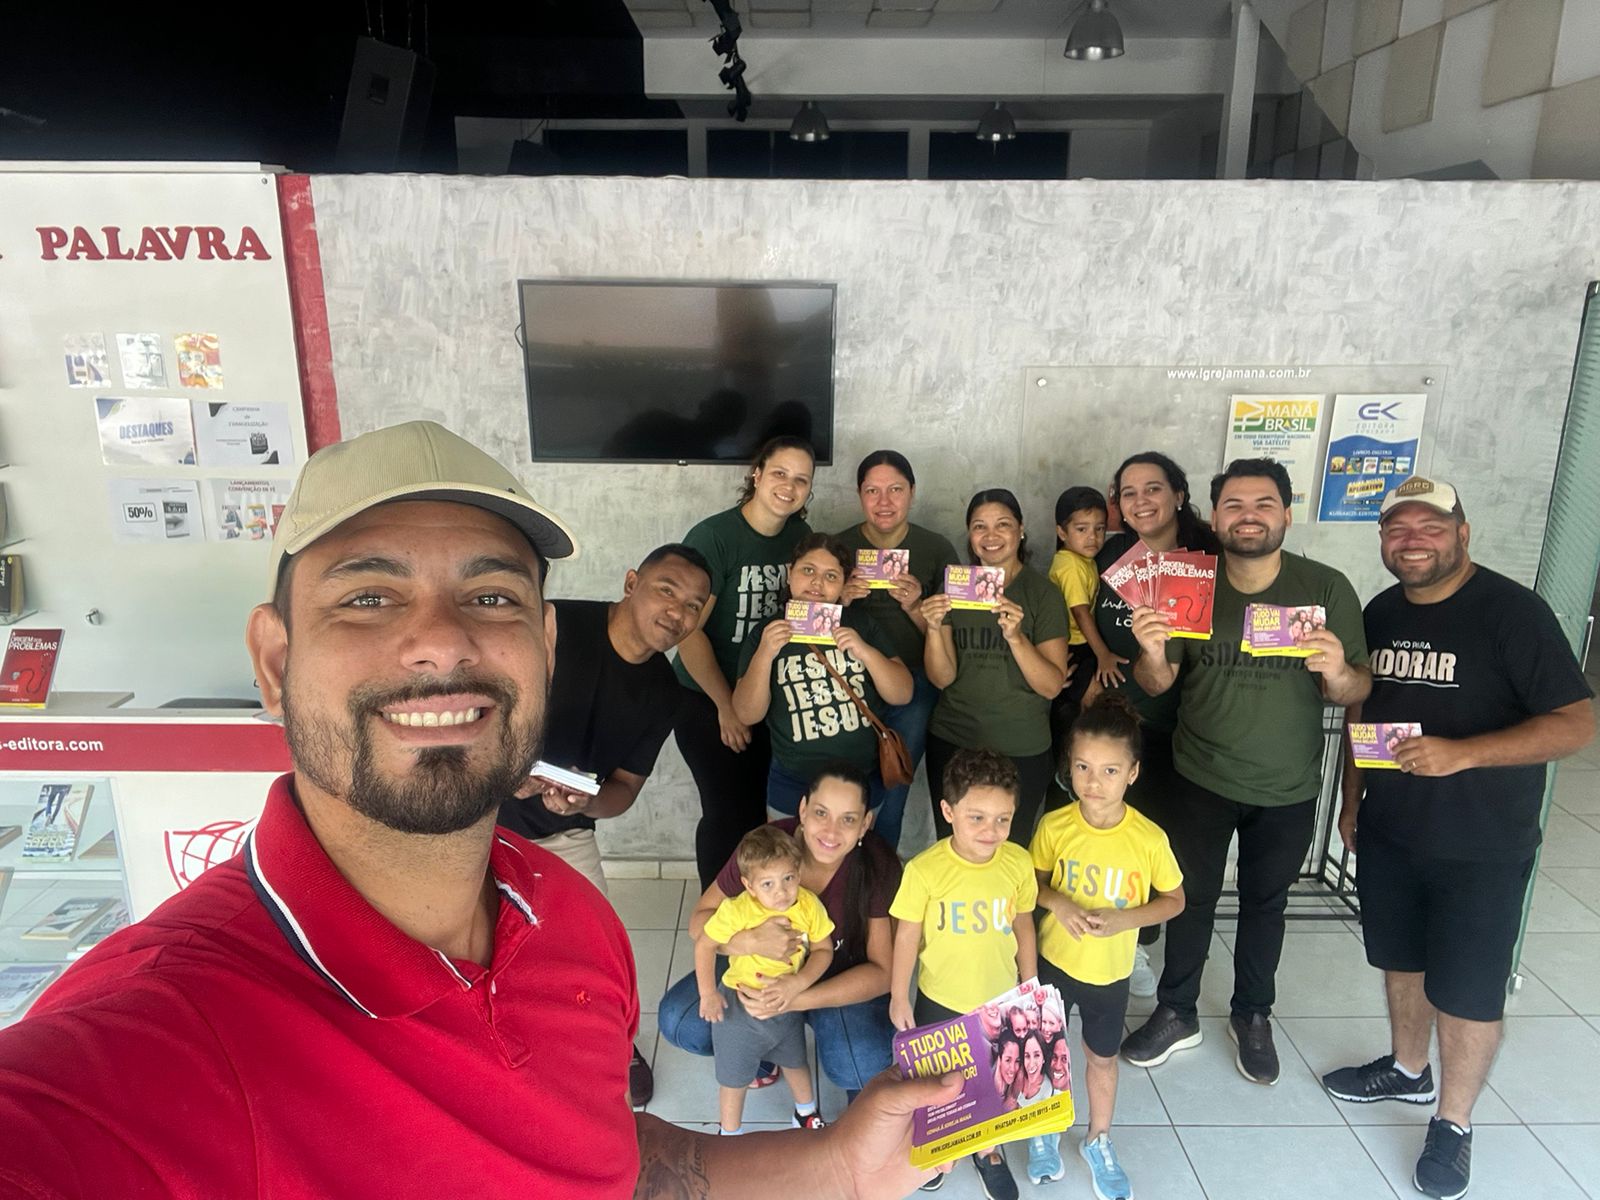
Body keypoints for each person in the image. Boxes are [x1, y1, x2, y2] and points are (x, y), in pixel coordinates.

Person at [0, 421, 966, 1198]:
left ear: (544, 644)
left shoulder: (579, 922)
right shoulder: (150, 1038)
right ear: (276, 659)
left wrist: (837, 1169)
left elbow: (603, 1163)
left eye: (492, 596)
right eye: (369, 597)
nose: (440, 641)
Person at [1321, 477, 1595, 1200]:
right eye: (1398, 529)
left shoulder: (1513, 613)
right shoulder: (1380, 611)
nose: (1412, 541)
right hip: (1393, 830)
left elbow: (1577, 723)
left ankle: (1454, 1122)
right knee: (1401, 962)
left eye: (1430, 527)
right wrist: (1352, 799)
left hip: (1482, 842)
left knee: (1470, 989)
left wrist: (1463, 754)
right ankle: (1408, 1070)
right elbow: (1360, 712)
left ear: (1462, 533)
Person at [1121, 457, 1370, 1087]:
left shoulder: (1326, 587)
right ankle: (1177, 1010)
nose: (1248, 516)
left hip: (1287, 783)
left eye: (1263, 504)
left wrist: (1338, 670)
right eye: (1234, 505)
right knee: (1190, 898)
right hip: (1199, 774)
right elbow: (1157, 682)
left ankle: (1252, 1015)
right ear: (1215, 516)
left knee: (1266, 902)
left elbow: (1354, 690)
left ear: (1287, 513)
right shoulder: (1192, 583)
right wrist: (1152, 652)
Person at [496, 542, 713, 1106]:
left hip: (563, 833)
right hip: (476, 816)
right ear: (631, 582)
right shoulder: (552, 625)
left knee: (598, 950)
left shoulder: (664, 694)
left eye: (693, 606)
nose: (677, 612)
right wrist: (502, 772)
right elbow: (477, 708)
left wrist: (583, 805)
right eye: (667, 590)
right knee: (474, 944)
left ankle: (615, 1044)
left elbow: (623, 791)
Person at [659, 762, 904, 1103]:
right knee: (680, 1022)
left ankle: (838, 1070)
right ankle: (763, 1054)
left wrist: (797, 997)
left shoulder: (878, 863)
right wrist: (747, 941)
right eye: (821, 813)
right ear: (802, 810)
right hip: (757, 968)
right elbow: (699, 920)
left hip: (835, 977)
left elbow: (882, 973)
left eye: (848, 819)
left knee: (859, 1063)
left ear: (865, 823)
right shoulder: (766, 845)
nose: (831, 831)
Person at [1030, 693, 1185, 1195]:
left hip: (1109, 974)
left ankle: (1098, 1138)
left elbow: (1175, 900)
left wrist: (1126, 920)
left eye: (1109, 771)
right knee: (1046, 1052)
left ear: (1133, 773)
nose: (1093, 782)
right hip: (1053, 963)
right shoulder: (1054, 826)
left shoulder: (1148, 839)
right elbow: (1031, 885)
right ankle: (1044, 1128)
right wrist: (1058, 904)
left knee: (1101, 1058)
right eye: (1082, 767)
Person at [1082, 452, 1222, 998]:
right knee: (1107, 834)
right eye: (1129, 492)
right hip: (1114, 723)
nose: (1140, 501)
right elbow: (1088, 620)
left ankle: (1141, 941)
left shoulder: (1209, 560)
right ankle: (1112, 936)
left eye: (1153, 489)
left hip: (1174, 730)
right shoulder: (1113, 554)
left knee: (1153, 844)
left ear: (1179, 495)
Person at [890, 749, 1039, 1200]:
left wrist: (1030, 986)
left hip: (999, 999)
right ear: (948, 811)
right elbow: (906, 936)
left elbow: (1024, 924)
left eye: (1002, 819)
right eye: (976, 817)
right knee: (938, 1081)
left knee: (993, 1079)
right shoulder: (924, 870)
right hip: (938, 996)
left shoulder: (1017, 863)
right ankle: (939, 1149)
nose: (990, 830)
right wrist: (899, 995)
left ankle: (988, 1150)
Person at [674, 436, 815, 888]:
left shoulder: (801, 540)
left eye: (801, 480)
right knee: (728, 814)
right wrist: (725, 705)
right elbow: (688, 632)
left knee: (763, 816)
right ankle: (715, 913)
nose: (789, 487)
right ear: (757, 474)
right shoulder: (715, 537)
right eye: (779, 473)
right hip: (706, 695)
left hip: (766, 697)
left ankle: (761, 909)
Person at [921, 489, 1071, 846]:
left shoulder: (1043, 594)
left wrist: (1016, 637)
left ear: (1021, 529)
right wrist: (933, 627)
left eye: (1002, 524)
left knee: (1007, 851)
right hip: (954, 740)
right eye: (979, 526)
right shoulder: (955, 589)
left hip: (1020, 747)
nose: (991, 535)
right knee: (952, 848)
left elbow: (1051, 685)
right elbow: (942, 677)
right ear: (970, 535)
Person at [835, 450, 962, 852]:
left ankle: (880, 877)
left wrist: (915, 606)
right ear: (859, 495)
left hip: (915, 686)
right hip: (848, 685)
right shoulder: (839, 546)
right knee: (844, 792)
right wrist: (841, 601)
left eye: (895, 489)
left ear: (912, 492)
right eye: (872, 491)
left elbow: (950, 641)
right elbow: (810, 623)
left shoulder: (935, 548)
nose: (884, 501)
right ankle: (840, 874)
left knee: (891, 792)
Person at [733, 534, 913, 817]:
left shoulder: (861, 624)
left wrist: (865, 652)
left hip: (861, 778)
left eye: (831, 576)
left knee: (856, 847)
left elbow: (902, 694)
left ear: (843, 584)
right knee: (787, 846)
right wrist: (765, 654)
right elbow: (746, 713)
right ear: (790, 573)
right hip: (794, 780)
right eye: (808, 570)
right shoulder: (766, 632)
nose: (817, 583)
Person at [697, 826, 835, 1135]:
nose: (781, 891)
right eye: (768, 883)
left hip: (785, 1000)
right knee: (734, 1077)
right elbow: (704, 944)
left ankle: (806, 1113)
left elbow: (824, 950)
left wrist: (798, 984)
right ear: (749, 885)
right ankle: (729, 1133)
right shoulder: (737, 910)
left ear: (799, 872)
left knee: (795, 1059)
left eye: (788, 878)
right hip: (739, 1005)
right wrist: (707, 993)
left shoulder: (808, 905)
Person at [1047, 485, 1112, 735]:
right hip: (1072, 647)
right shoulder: (1070, 565)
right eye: (1082, 529)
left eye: (1099, 528)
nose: (1092, 537)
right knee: (1086, 709)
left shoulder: (1083, 560)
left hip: (1081, 644)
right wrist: (1103, 654)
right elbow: (1080, 612)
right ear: (1062, 532)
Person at [991, 1031, 1023, 1110]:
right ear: (1000, 1059)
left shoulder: (1019, 1077)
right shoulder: (990, 1084)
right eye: (1008, 1060)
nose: (1012, 1068)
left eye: (1017, 1061)